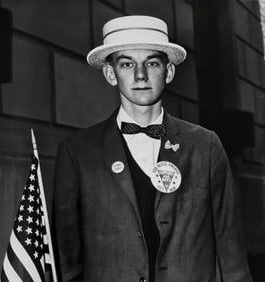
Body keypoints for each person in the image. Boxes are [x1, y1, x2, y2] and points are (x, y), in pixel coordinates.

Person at [52, 15, 252, 282]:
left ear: (168, 72)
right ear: (111, 74)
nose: (140, 75)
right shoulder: (77, 152)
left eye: (152, 63)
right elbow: (67, 261)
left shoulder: (206, 147)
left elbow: (231, 255)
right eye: (126, 64)